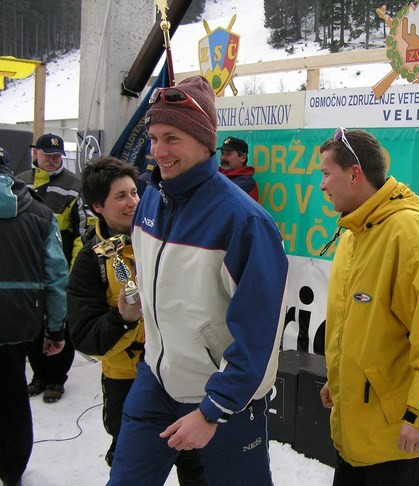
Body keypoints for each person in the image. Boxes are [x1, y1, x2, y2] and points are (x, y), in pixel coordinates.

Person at [108, 76, 288, 486]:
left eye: (172, 138)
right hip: (156, 378)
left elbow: (260, 333)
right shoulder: (151, 197)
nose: (158, 152)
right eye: (153, 138)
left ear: (205, 141)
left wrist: (214, 409)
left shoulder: (245, 221)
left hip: (225, 397)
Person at [317, 128, 419, 485]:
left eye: (327, 173)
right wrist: (339, 378)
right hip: (362, 435)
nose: (322, 185)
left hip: (403, 443)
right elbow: (362, 326)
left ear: (355, 173)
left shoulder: (409, 232)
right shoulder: (354, 234)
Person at [67, 156, 206, 484]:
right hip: (128, 383)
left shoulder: (167, 237)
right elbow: (85, 337)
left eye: (134, 193)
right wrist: (122, 318)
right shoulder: (92, 261)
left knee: (197, 467)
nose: (133, 203)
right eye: (121, 196)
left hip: (183, 375)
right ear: (98, 206)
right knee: (134, 471)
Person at [0, 145, 68, 486]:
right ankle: (12, 470)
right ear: (11, 172)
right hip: (20, 324)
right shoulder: (40, 212)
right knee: (12, 399)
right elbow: (57, 275)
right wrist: (55, 329)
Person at [19, 133, 93, 403]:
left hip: (61, 262)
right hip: (28, 265)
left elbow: (84, 230)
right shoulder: (21, 182)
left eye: (57, 155)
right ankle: (38, 375)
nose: (52, 160)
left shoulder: (76, 184)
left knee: (61, 321)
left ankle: (56, 379)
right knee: (33, 323)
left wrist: (74, 269)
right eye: (47, 155)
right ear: (35, 154)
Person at [218, 136, 259, 201]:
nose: (223, 158)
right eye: (222, 153)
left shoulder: (247, 183)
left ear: (243, 158)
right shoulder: (216, 174)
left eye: (228, 154)